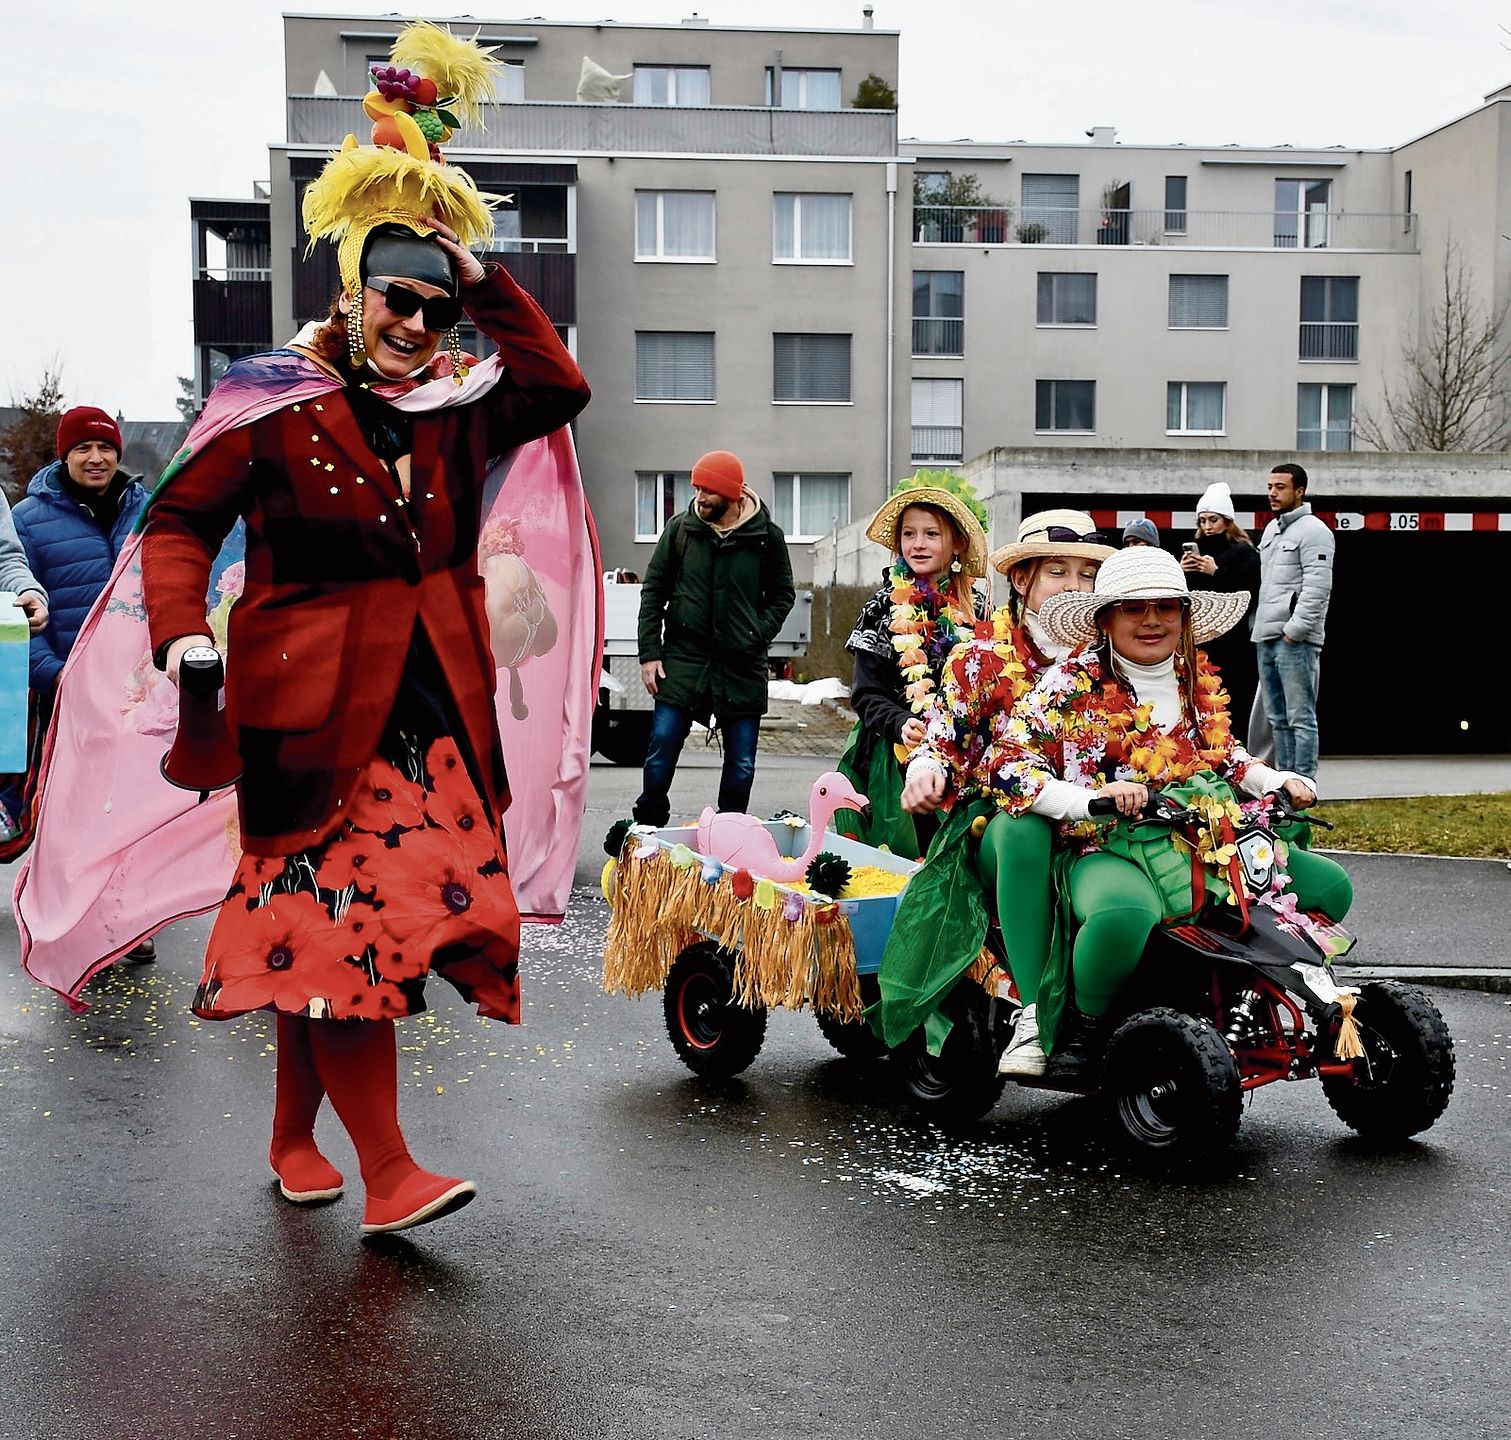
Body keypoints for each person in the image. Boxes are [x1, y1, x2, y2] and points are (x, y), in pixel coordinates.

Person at [136, 22, 592, 1236]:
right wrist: (180, 631)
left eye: (436, 308)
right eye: (399, 297)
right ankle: (388, 1170)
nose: (417, 322)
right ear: (353, 292)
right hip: (304, 722)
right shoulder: (268, 406)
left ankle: (295, 1131)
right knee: (342, 935)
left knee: (352, 939)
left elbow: (558, 387)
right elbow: (176, 524)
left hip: (431, 717)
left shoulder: (456, 409)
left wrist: (482, 274)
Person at [987, 546, 1351, 1075]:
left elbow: (1225, 757)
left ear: (1184, 616)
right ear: (1106, 619)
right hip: (1106, 843)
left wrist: (1278, 780)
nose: (1153, 621)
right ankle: (1081, 1030)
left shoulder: (1192, 679)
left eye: (1167, 607)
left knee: (1330, 887)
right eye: (1135, 608)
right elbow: (1006, 766)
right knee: (1123, 914)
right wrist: (1092, 799)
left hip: (1205, 837)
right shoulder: (1067, 684)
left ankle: (1234, 1003)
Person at [867, 510, 1114, 1051]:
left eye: (1087, 575)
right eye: (1058, 571)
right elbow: (938, 738)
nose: (1075, 587)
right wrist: (925, 773)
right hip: (996, 826)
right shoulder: (980, 656)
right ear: (1021, 579)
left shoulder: (1110, 659)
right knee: (1025, 828)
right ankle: (1033, 1009)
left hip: (1098, 825)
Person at [633, 449, 795, 826]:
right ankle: (648, 828)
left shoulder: (765, 537)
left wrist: (756, 634)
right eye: (697, 488)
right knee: (661, 749)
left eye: (708, 490)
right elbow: (654, 591)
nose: (700, 497)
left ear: (732, 494)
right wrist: (649, 654)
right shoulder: (680, 530)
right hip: (683, 662)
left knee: (741, 764)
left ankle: (729, 834)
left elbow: (782, 594)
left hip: (741, 665)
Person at [833, 474, 989, 858]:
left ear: (957, 544)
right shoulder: (882, 607)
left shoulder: (980, 610)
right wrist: (902, 724)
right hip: (892, 756)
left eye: (931, 534)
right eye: (909, 534)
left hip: (962, 754)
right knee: (902, 858)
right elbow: (866, 694)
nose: (918, 544)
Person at [1253, 462, 1334, 777]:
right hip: (1266, 635)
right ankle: (1285, 783)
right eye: (1270, 487)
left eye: (1280, 487)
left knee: (1300, 716)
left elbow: (1318, 587)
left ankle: (1305, 783)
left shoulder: (1315, 531)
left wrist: (1295, 631)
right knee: (1276, 718)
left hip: (1294, 640)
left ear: (1299, 491)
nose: (1272, 493)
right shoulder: (1272, 529)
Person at [1179, 480, 1259, 744]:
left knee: (1233, 700)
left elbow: (1248, 593)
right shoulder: (1197, 551)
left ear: (1227, 520)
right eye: (1202, 520)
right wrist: (1183, 572)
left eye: (1213, 519)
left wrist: (1217, 572)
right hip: (1202, 638)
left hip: (1234, 642)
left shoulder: (1244, 553)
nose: (1207, 526)